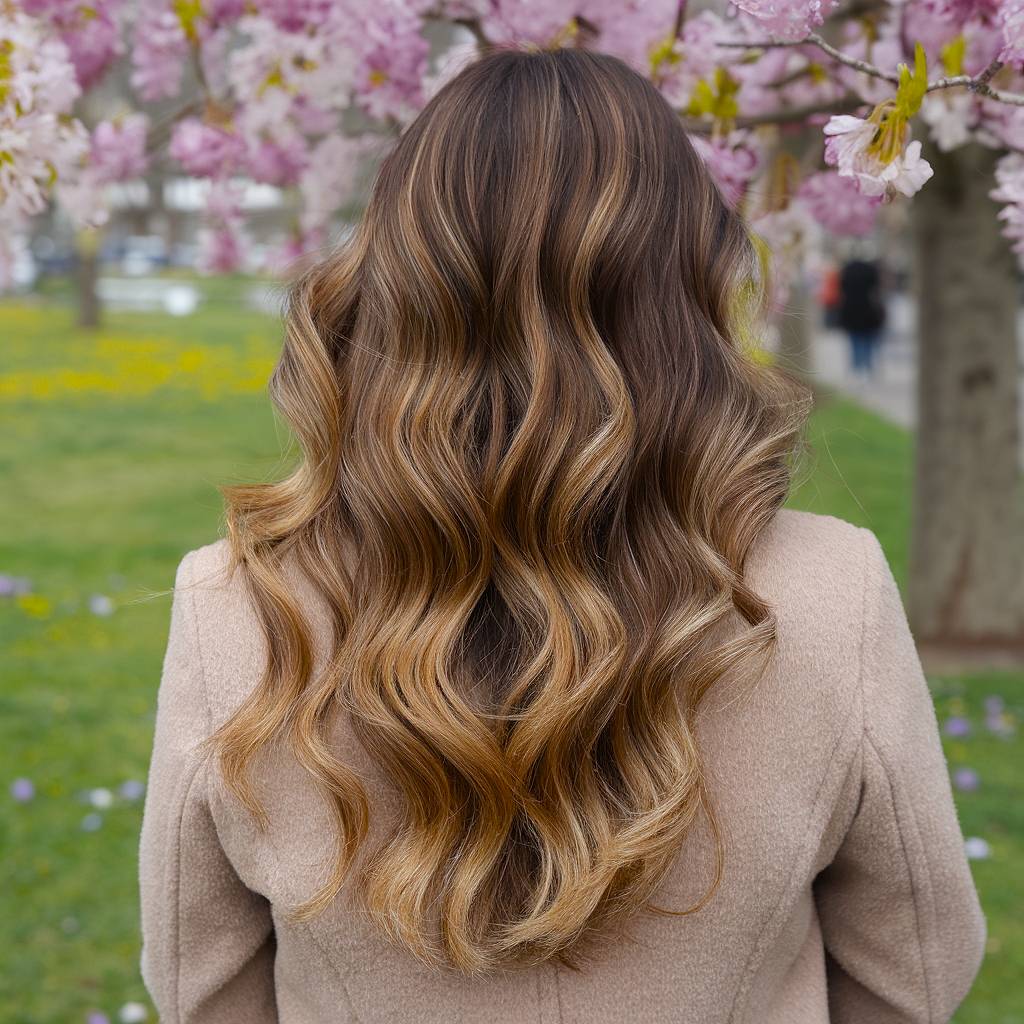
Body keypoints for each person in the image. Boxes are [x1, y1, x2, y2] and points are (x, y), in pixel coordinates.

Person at [139, 48, 985, 1024]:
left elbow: (198, 983)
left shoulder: (236, 604)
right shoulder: (833, 589)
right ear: (687, 281)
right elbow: (912, 970)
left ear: (390, 281)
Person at [838, 256, 887, 377]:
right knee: (868, 340)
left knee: (855, 340)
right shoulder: (870, 270)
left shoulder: (847, 271)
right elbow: (876, 288)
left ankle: (857, 367)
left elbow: (842, 288)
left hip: (851, 310)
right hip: (869, 310)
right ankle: (867, 367)